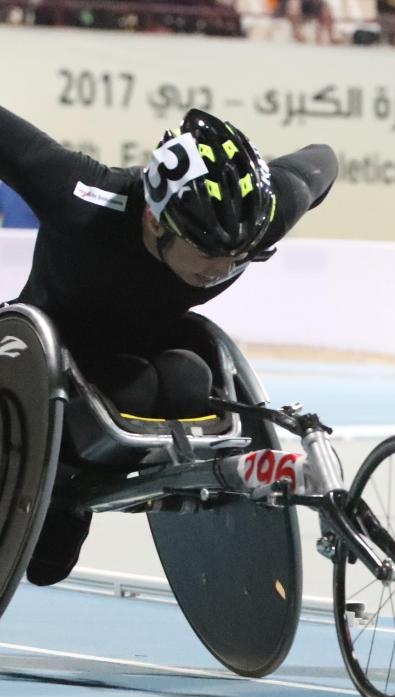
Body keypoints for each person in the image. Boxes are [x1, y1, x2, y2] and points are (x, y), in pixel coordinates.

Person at [0, 105, 337, 586]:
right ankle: (63, 486)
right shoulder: (82, 197)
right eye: (206, 253)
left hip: (145, 348)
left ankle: (88, 481)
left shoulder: (257, 219)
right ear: (156, 221)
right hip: (46, 360)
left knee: (189, 381)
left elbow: (321, 161)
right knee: (132, 391)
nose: (220, 270)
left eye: (237, 258)